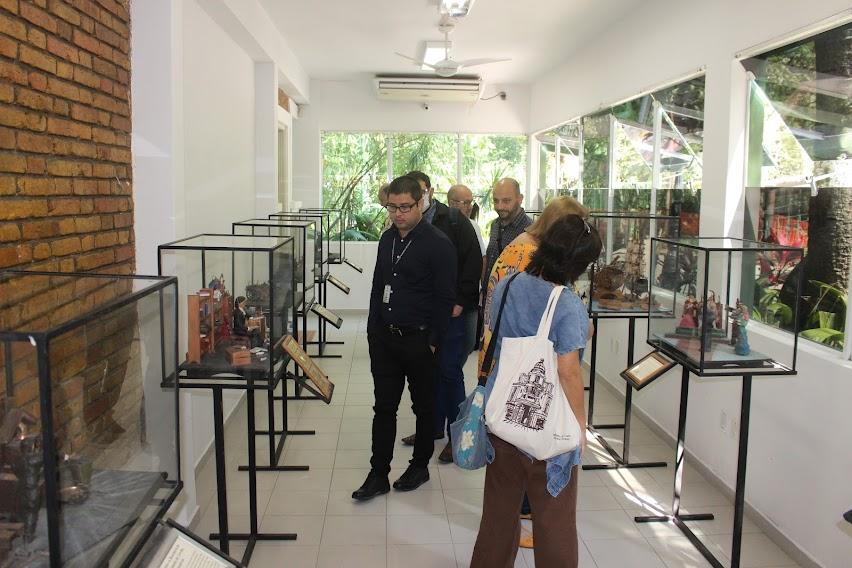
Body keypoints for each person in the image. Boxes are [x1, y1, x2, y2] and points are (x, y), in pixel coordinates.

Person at [470, 215, 602, 568]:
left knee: (497, 516)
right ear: (577, 263)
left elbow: (497, 338)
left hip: (502, 418)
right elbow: (567, 370)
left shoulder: (508, 285)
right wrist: (580, 427)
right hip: (548, 431)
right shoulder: (567, 303)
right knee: (554, 522)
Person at [352, 175, 456, 501]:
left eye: (405, 207)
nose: (398, 214)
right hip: (385, 340)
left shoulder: (438, 244)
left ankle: (419, 465)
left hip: (420, 341)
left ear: (420, 203)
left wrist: (434, 341)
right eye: (392, 207)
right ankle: (378, 473)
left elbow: (444, 298)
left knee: (424, 408)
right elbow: (376, 287)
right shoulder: (387, 240)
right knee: (384, 407)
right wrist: (372, 331)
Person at [402, 172, 482, 464]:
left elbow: (473, 265)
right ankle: (432, 429)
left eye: (419, 192)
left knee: (449, 372)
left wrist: (460, 302)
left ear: (429, 192)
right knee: (428, 372)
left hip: (453, 313)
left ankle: (456, 436)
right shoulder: (409, 223)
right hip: (423, 315)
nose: (414, 199)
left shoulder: (454, 221)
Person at [448, 184, 486, 355]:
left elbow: (482, 260)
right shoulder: (442, 227)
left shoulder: (473, 225)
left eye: (471, 202)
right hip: (452, 296)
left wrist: (482, 289)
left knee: (469, 342)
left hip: (471, 295)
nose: (470, 206)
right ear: (452, 202)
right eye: (466, 202)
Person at [483, 178, 532, 290]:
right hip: (491, 298)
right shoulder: (495, 225)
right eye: (496, 201)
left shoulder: (530, 231)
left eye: (506, 201)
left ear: (520, 199)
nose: (499, 207)